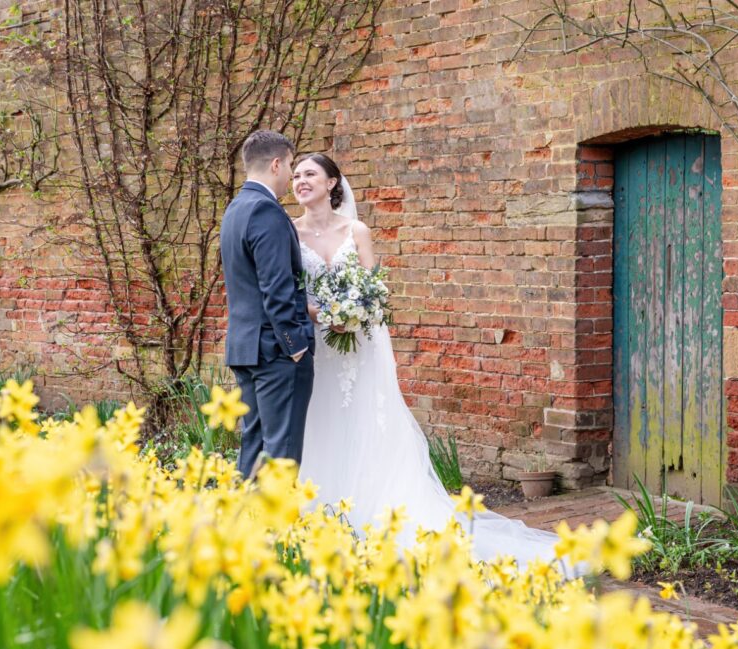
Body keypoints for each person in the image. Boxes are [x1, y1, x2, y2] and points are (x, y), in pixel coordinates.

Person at [292, 152, 559, 566]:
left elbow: (374, 291)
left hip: (358, 347)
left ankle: (376, 511)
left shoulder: (356, 231)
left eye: (309, 173)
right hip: (320, 347)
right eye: (295, 175)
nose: (300, 180)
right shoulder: (290, 234)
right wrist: (326, 315)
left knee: (365, 419)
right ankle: (323, 513)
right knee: (321, 419)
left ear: (331, 183)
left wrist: (354, 313)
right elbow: (292, 293)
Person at [220, 131, 315, 479]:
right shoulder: (266, 211)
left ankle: (242, 528)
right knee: (282, 452)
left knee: (255, 445)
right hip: (275, 352)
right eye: (291, 165)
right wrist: (295, 347)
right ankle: (273, 532)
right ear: (276, 164)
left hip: (245, 348)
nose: (291, 174)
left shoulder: (235, 208)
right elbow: (276, 288)